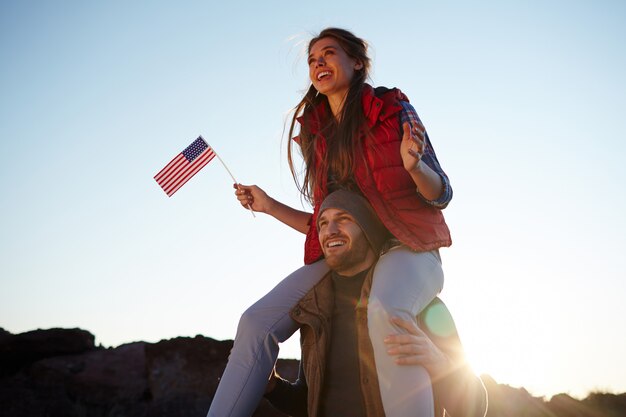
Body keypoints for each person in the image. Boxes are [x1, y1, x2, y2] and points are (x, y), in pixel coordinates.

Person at [208, 28, 452, 417]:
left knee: (386, 311)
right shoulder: (315, 134)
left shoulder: (392, 108)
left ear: (357, 62)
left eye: (328, 53)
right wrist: (269, 206)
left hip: (409, 248)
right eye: (311, 59)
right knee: (255, 322)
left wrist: (415, 166)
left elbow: (441, 193)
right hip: (351, 253)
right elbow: (330, 225)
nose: (318, 63)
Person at [264, 190, 487, 417]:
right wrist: (274, 387)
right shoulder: (315, 310)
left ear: (368, 228)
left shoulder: (422, 306)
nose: (330, 231)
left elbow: (475, 408)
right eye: (323, 223)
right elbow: (309, 403)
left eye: (343, 219)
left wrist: (439, 363)